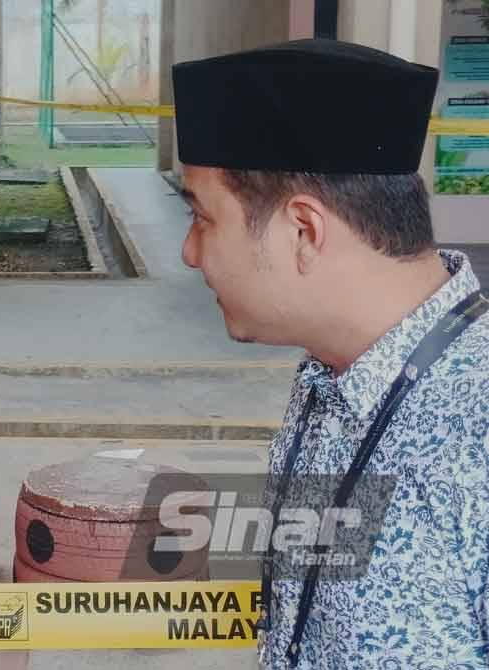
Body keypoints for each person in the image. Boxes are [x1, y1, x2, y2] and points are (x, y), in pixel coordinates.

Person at [173, 39, 489, 667]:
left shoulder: (476, 433)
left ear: (304, 232)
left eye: (203, 219)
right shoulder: (328, 377)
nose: (188, 251)